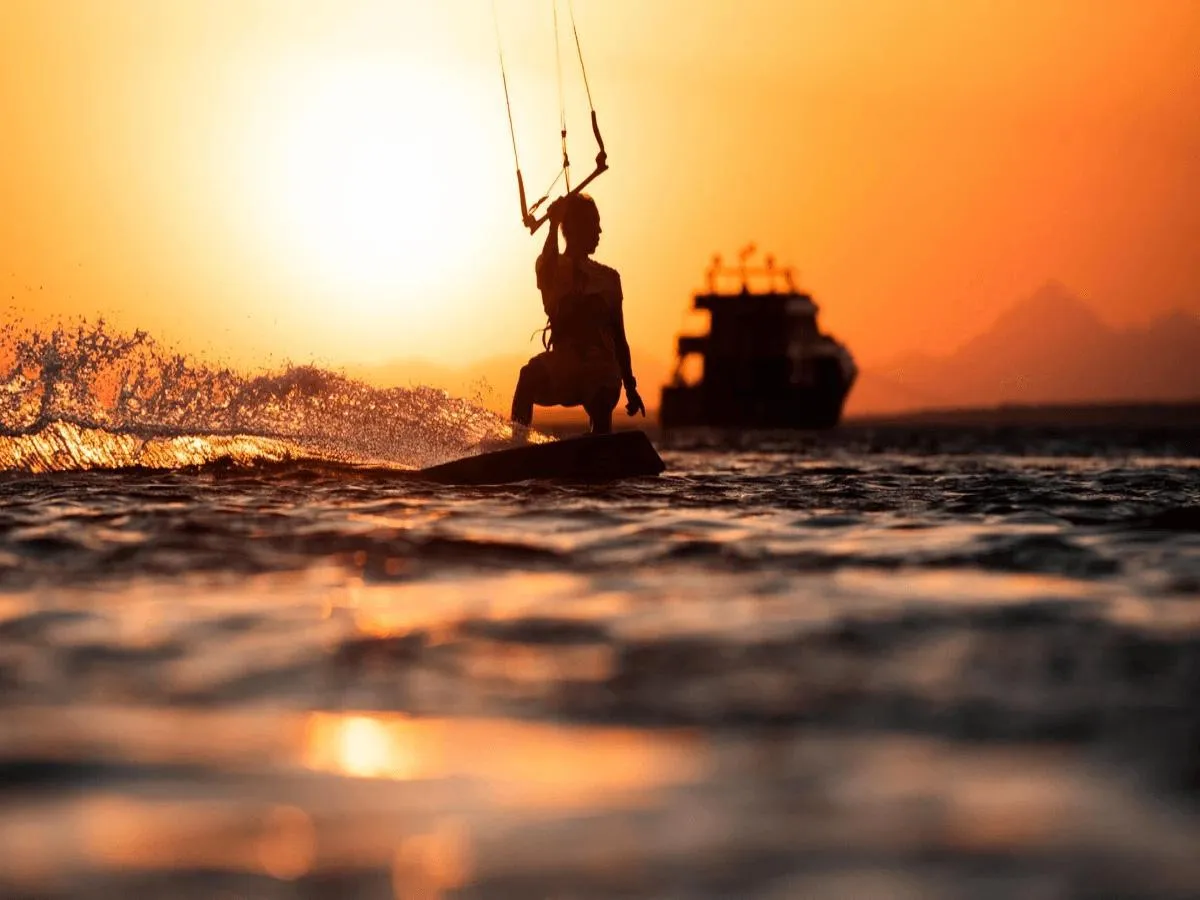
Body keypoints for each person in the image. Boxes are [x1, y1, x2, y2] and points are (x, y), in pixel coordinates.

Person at [510, 193, 645, 434]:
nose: (600, 231)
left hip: (601, 368)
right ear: (575, 229)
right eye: (595, 224)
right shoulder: (550, 266)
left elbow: (619, 337)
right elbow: (548, 268)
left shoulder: (609, 279)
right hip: (566, 364)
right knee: (528, 377)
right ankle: (515, 445)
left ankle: (599, 448)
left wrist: (630, 387)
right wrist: (553, 223)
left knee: (602, 396)